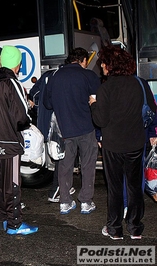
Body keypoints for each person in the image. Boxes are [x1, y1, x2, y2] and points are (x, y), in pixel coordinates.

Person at [89, 45, 157, 240]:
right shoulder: (141, 84)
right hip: (136, 143)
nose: (101, 65)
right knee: (135, 186)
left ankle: (115, 229)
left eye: (103, 62)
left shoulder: (105, 88)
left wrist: (93, 104)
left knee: (115, 187)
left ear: (110, 65)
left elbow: (100, 121)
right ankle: (135, 228)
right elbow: (152, 110)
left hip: (113, 145)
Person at [0, 45, 38, 235]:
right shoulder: (12, 83)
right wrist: (27, 121)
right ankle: (14, 224)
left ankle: (1, 220)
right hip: (9, 143)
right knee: (12, 184)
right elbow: (22, 115)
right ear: (16, 64)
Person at [44, 47, 100, 215]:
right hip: (86, 128)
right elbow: (97, 101)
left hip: (64, 130)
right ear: (83, 60)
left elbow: (48, 104)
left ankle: (65, 202)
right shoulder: (88, 75)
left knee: (64, 166)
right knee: (88, 165)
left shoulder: (55, 76)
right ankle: (86, 201)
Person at [29, 68, 75, 203]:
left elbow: (34, 94)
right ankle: (56, 190)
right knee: (62, 158)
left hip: (46, 123)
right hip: (58, 125)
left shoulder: (47, 76)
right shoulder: (63, 78)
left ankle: (64, 185)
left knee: (59, 158)